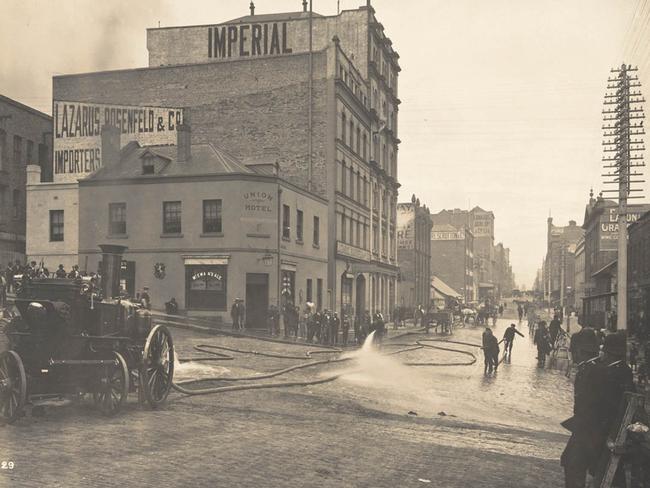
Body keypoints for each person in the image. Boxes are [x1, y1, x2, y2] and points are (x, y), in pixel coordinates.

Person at [561, 332, 635, 488]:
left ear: (579, 351)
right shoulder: (610, 370)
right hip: (600, 430)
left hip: (593, 431)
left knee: (573, 463)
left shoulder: (592, 371)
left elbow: (592, 405)